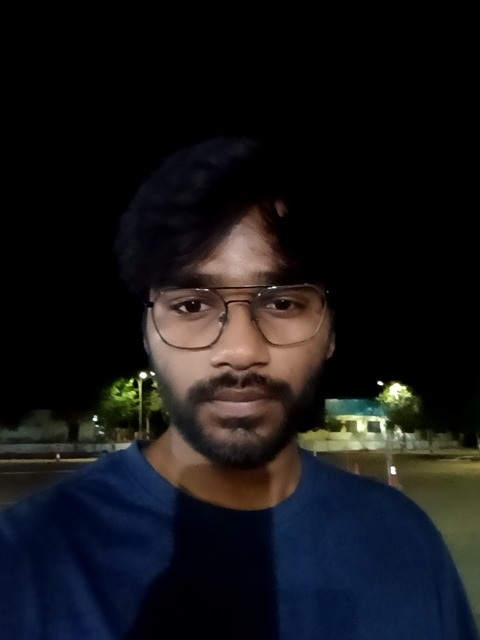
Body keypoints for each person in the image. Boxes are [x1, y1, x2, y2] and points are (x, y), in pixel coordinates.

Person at [0, 137, 477, 640]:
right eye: (191, 305)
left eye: (283, 303)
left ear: (331, 331)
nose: (242, 350)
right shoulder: (27, 561)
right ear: (146, 332)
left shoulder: (405, 542)